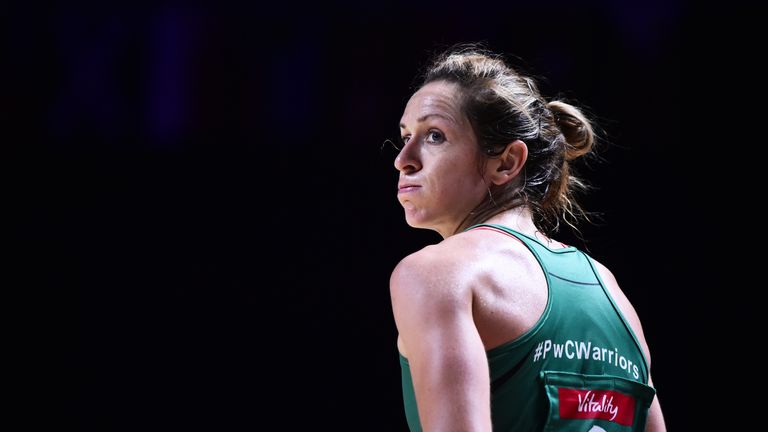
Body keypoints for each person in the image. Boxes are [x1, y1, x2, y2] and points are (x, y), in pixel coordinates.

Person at [389, 44, 666, 432]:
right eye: (405, 136)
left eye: (434, 135)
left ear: (506, 162)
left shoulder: (438, 273)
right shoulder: (611, 294)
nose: (404, 158)